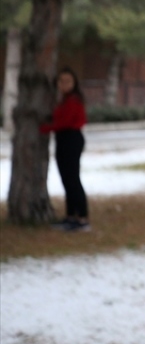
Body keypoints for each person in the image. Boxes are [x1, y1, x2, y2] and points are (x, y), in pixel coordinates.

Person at [40, 67, 90, 233]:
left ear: (74, 83)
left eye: (68, 81)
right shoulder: (63, 100)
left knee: (73, 179)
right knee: (67, 179)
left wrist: (44, 128)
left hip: (71, 139)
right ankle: (70, 216)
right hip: (63, 139)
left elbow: (66, 122)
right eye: (61, 81)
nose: (64, 84)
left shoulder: (74, 100)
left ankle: (82, 218)